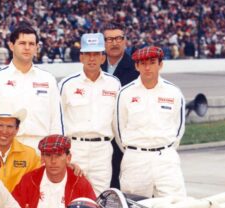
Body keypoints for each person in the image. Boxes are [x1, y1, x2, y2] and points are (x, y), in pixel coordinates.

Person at [114, 46, 187, 198]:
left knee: (175, 205)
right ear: (136, 66)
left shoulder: (173, 92)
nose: (147, 68)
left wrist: (165, 148)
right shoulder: (125, 93)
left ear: (160, 64)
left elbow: (179, 129)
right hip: (136, 158)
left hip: (166, 158)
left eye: (152, 62)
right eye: (143, 63)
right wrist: (134, 150)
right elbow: (119, 129)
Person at [0, 24, 62, 150]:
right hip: (8, 148)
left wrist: (56, 151)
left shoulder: (48, 79)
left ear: (37, 47)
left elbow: (56, 121)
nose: (27, 48)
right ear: (11, 46)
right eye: (22, 43)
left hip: (41, 149)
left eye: (31, 44)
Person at [58, 33, 121, 195]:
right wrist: (63, 154)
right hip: (75, 148)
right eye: (88, 54)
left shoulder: (114, 84)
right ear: (81, 57)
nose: (92, 59)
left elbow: (117, 121)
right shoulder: (67, 84)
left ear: (103, 57)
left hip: (103, 149)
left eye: (96, 54)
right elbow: (57, 121)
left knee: (101, 198)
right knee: (71, 195)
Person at [12, 134, 95, 208]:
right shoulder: (29, 180)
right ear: (42, 158)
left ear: (68, 158)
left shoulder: (79, 182)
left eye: (59, 155)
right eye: (48, 155)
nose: (53, 161)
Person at [100, 24, 140, 191]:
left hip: (124, 140)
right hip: (101, 137)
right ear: (103, 43)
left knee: (123, 188)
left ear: (125, 41)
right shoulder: (96, 65)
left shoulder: (136, 68)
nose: (114, 43)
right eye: (109, 39)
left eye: (118, 38)